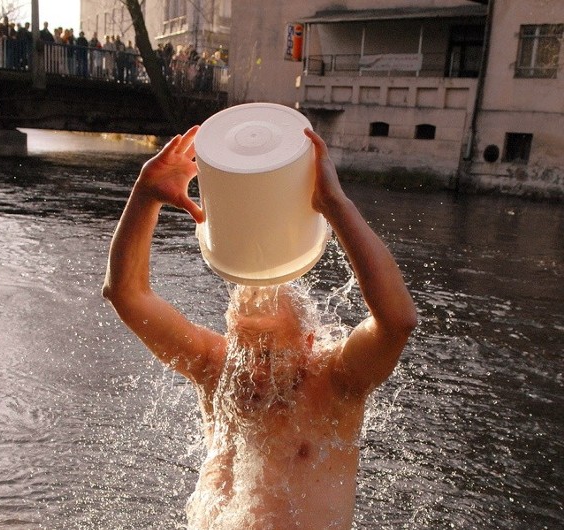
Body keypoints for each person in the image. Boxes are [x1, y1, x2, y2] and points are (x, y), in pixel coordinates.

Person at [103, 126, 417, 529]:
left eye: (269, 353)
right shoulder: (214, 369)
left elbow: (397, 322)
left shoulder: (336, 383)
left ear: (307, 342)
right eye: (243, 348)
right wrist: (145, 196)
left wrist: (334, 205)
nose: (252, 368)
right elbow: (126, 294)